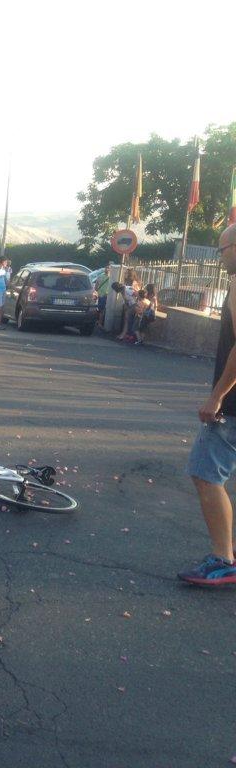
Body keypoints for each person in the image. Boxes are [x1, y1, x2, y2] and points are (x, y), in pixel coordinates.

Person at [179, 224, 236, 585]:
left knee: (205, 473)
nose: (219, 257)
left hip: (232, 405)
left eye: (221, 249)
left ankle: (223, 559)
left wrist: (217, 396)